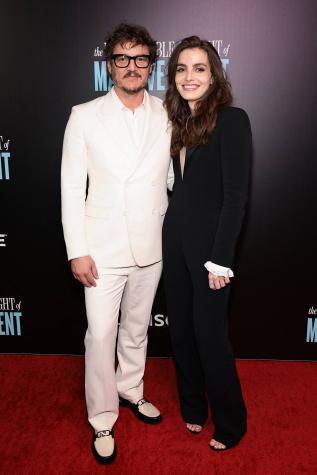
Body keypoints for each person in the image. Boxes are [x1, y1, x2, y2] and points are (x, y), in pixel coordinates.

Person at [61, 23, 172, 464]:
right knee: (101, 334)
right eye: (122, 59)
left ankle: (131, 390)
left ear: (150, 65)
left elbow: (168, 175)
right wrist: (77, 249)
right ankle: (103, 416)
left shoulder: (168, 113)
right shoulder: (83, 116)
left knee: (137, 327)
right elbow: (71, 188)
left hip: (151, 243)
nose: (132, 67)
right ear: (110, 65)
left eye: (141, 58)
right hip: (101, 249)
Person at [162, 36, 252, 451]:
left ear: (215, 75)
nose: (189, 76)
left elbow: (236, 197)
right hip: (174, 243)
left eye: (199, 68)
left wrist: (220, 260)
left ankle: (231, 424)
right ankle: (194, 408)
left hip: (209, 252)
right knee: (180, 331)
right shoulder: (177, 122)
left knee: (210, 335)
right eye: (181, 68)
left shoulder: (232, 120)